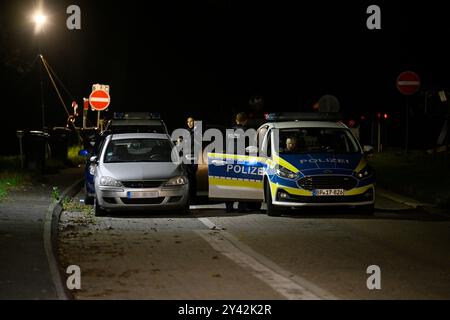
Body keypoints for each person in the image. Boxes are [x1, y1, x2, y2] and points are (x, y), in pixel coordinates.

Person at [225, 112, 259, 213]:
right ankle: (242, 206)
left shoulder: (229, 131)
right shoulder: (247, 131)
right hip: (242, 160)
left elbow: (225, 146)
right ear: (245, 121)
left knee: (230, 184)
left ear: (236, 120)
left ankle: (229, 207)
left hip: (230, 160)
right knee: (242, 184)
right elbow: (251, 148)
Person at [185, 117, 199, 202]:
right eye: (188, 122)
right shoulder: (187, 131)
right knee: (188, 176)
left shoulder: (197, 132)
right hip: (187, 156)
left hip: (194, 156)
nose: (189, 123)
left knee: (192, 176)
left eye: (191, 121)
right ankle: (189, 195)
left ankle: (193, 196)